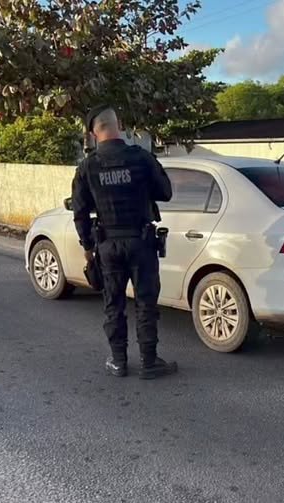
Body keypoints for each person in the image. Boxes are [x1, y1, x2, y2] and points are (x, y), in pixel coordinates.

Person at [71, 105, 177, 380]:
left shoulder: (87, 167)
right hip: (141, 242)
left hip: (107, 245)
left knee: (113, 304)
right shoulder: (141, 158)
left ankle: (118, 361)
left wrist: (88, 249)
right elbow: (166, 192)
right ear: (119, 125)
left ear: (93, 133)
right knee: (145, 303)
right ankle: (149, 362)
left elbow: (80, 213)